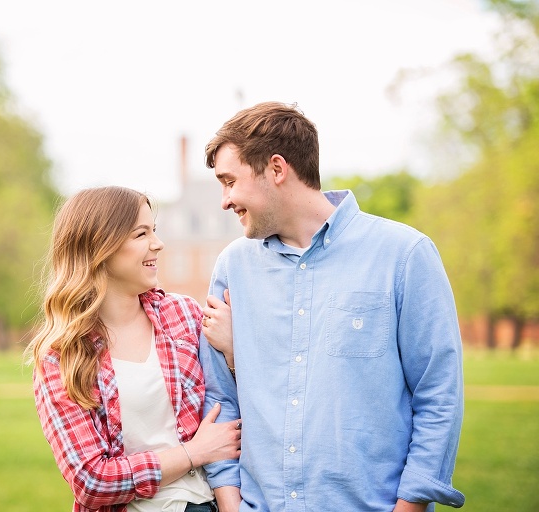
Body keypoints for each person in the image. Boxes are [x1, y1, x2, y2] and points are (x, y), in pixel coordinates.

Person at [197, 102, 465, 512]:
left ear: (276, 168)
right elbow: (221, 400)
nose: (224, 200)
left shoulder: (404, 255)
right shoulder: (234, 267)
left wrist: (408, 506)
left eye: (229, 181)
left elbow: (438, 394)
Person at [27, 186, 242, 512]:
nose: (158, 243)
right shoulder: (61, 356)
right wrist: (193, 453)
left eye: (153, 231)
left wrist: (231, 352)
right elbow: (91, 481)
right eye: (141, 234)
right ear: (101, 247)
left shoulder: (184, 315)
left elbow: (235, 401)